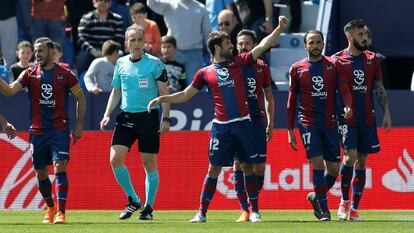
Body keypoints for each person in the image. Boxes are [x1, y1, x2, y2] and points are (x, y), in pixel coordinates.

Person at [147, 16, 289, 223]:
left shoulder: (241, 63)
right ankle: (201, 213)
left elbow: (263, 45)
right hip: (221, 127)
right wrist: (162, 98)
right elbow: (186, 94)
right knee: (213, 168)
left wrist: (279, 29)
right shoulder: (205, 72)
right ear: (216, 47)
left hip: (243, 124)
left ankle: (254, 211)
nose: (233, 46)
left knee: (247, 167)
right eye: (228, 43)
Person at [0, 37, 86, 224]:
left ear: (51, 51)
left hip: (60, 129)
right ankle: (50, 206)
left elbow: (81, 98)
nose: (37, 54)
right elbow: (9, 91)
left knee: (60, 166)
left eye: (40, 51)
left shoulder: (65, 74)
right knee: (41, 173)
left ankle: (61, 212)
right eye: (35, 51)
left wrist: (79, 126)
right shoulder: (29, 73)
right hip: (37, 132)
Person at [99, 26, 170, 221]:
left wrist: (165, 118)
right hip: (126, 118)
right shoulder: (120, 63)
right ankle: (133, 199)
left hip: (148, 118)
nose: (137, 43)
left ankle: (147, 208)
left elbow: (165, 93)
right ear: (126, 43)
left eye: (140, 39)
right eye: (133, 40)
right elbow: (116, 91)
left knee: (149, 165)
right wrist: (107, 114)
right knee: (115, 159)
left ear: (144, 42)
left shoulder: (155, 64)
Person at [287, 29, 353, 221]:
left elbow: (344, 89)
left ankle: (316, 196)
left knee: (333, 169)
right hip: (308, 122)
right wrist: (290, 130)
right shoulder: (297, 68)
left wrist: (348, 105)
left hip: (331, 122)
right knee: (316, 162)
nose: (315, 46)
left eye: (318, 42)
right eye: (311, 42)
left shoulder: (334, 65)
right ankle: (324, 209)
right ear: (305, 45)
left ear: (323, 44)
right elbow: (291, 101)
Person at [334, 19, 392, 221]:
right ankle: (343, 202)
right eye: (360, 35)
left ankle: (355, 208)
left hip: (368, 117)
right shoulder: (337, 60)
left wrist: (386, 112)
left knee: (362, 161)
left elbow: (379, 87)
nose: (364, 38)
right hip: (347, 119)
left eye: (365, 34)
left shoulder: (374, 60)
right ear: (349, 36)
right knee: (349, 157)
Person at [231, 29, 274, 222]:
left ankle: (254, 203)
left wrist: (271, 123)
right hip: (238, 122)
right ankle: (246, 210)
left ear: (254, 44)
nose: (243, 46)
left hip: (257, 122)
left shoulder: (262, 67)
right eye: (240, 43)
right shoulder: (231, 65)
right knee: (238, 164)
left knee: (259, 168)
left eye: (247, 43)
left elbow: (269, 96)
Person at [147, 0, 212, 86]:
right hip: (173, 53)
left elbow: (208, 33)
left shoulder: (201, 8)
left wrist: (212, 53)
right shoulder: (169, 4)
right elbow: (151, 3)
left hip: (194, 54)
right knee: (171, 88)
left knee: (196, 89)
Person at [77, 0, 124, 75]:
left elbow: (120, 39)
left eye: (106, 1)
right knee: (83, 56)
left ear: (110, 3)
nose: (103, 3)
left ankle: (119, 82)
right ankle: (81, 82)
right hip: (92, 50)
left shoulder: (117, 18)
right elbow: (81, 38)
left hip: (111, 50)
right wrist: (92, 50)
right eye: (99, 0)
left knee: (120, 54)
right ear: (94, 2)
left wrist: (109, 51)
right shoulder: (86, 18)